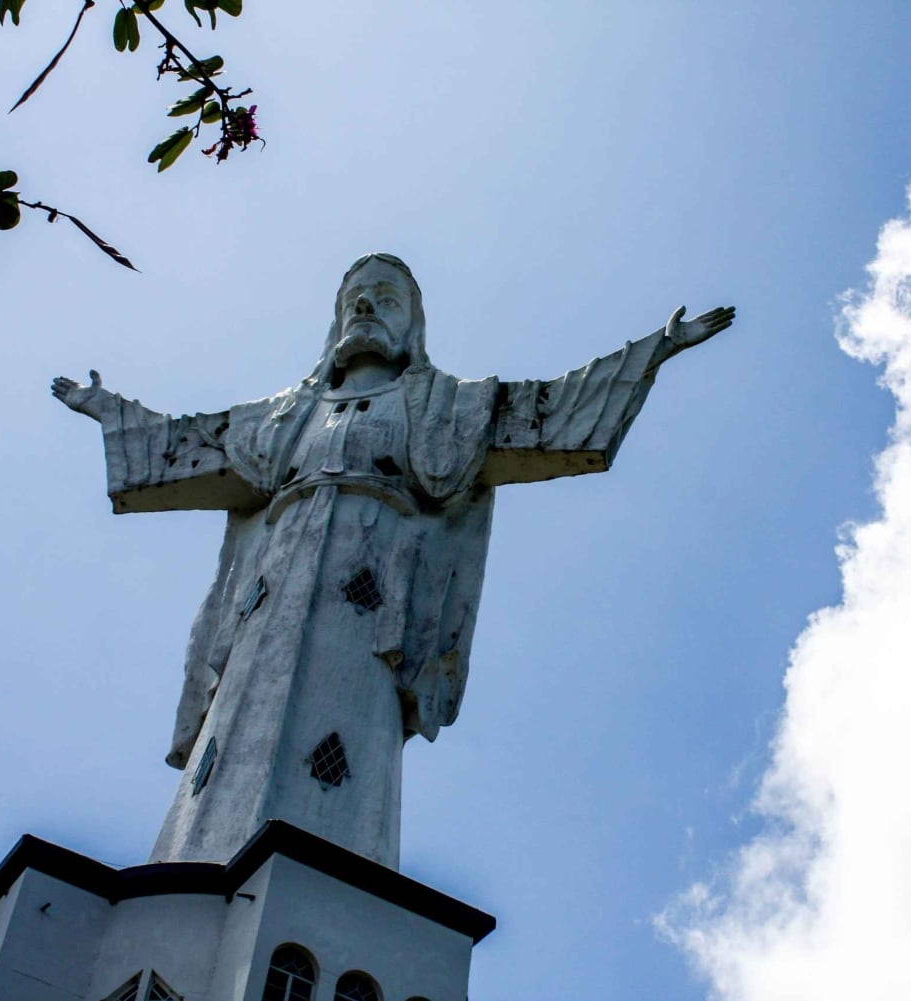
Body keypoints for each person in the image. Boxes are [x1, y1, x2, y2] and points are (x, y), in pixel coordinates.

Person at [53, 253, 734, 867]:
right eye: (354, 296)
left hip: (371, 600)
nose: (365, 306)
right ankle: (197, 869)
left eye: (384, 296)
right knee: (234, 739)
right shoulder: (282, 417)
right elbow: (184, 443)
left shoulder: (446, 407)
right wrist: (111, 409)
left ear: (412, 325)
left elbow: (547, 411)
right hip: (269, 599)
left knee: (345, 736)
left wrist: (655, 350)